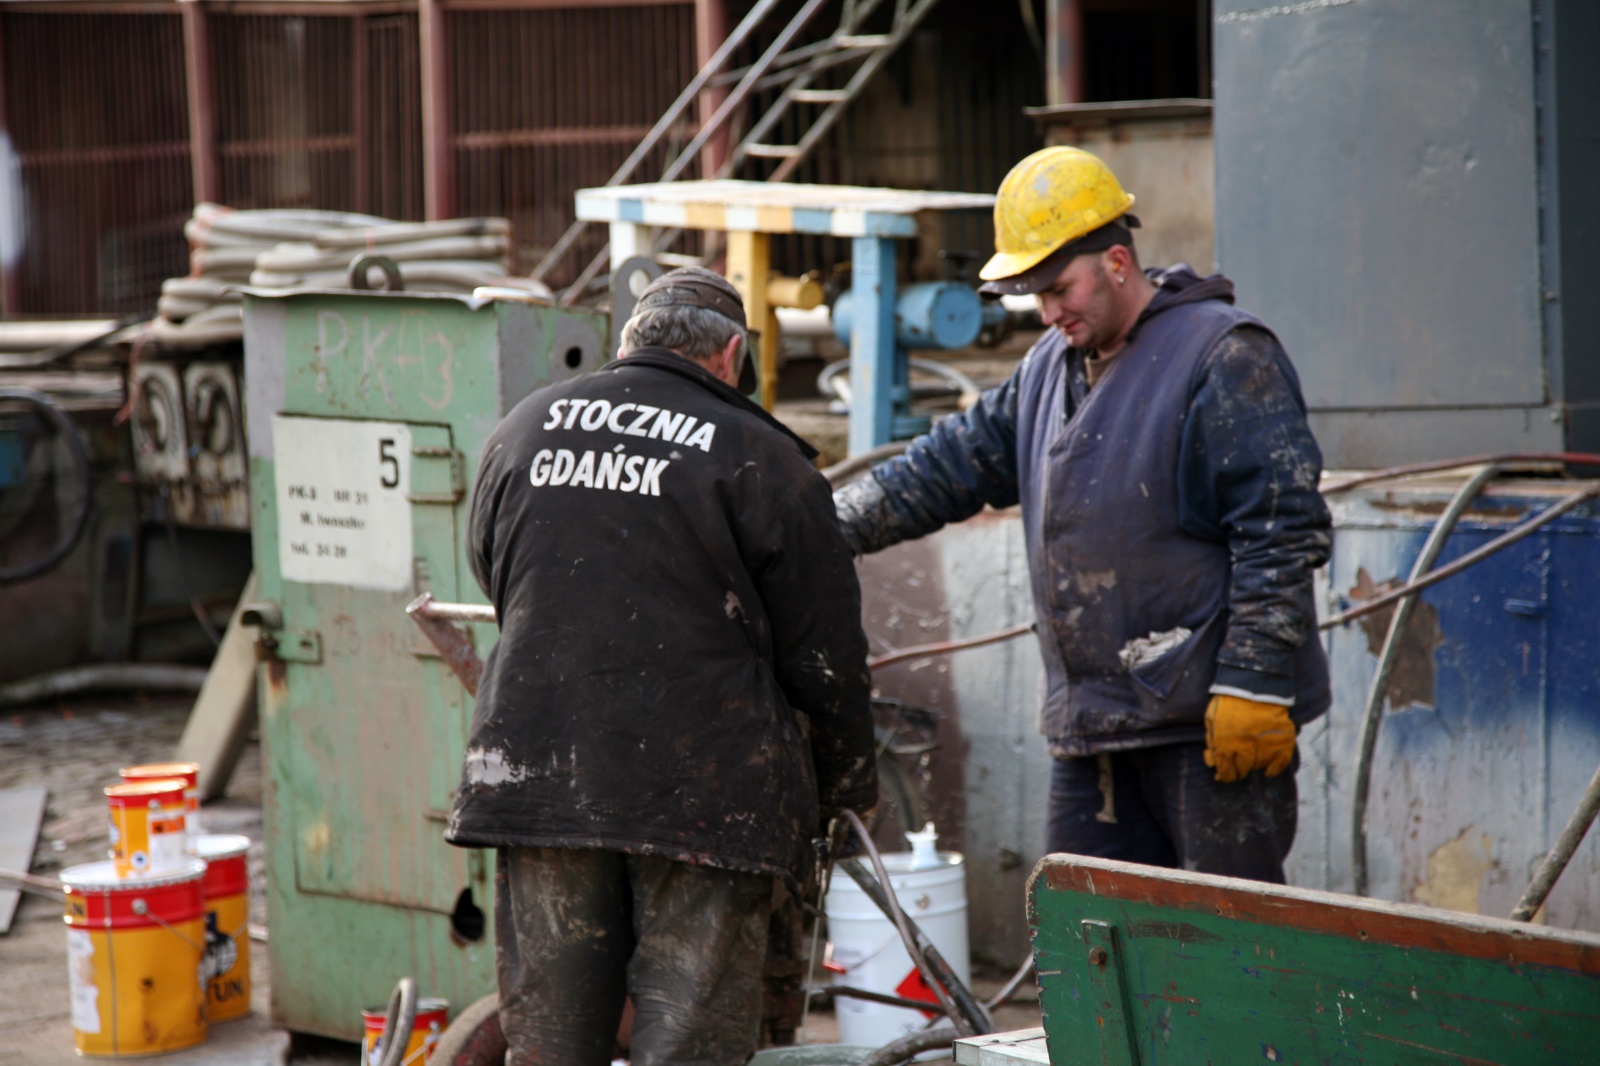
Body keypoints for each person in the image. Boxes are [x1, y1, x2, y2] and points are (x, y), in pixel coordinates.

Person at [833, 146, 1331, 883]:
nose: (1049, 311)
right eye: (1035, 295)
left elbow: (1281, 532)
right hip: (1095, 728)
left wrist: (1252, 683)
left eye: (1060, 288)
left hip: (1209, 729)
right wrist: (820, 524)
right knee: (1086, 953)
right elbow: (947, 465)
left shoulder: (1223, 358)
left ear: (1119, 262)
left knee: (1223, 959)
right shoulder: (1047, 367)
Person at [446, 267, 877, 1065]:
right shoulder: (766, 459)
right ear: (732, 354)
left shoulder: (522, 430)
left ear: (626, 343)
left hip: (538, 774)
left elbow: (499, 577)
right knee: (689, 1047)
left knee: (549, 1044)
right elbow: (825, 659)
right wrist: (846, 793)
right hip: (705, 797)